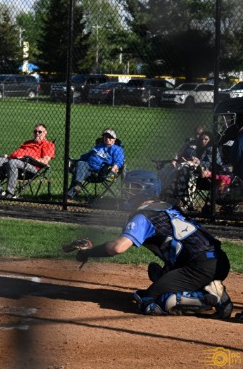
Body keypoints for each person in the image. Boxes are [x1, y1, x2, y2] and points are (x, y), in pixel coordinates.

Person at [74, 198, 233, 318]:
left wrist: (89, 252)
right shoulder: (169, 209)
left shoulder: (143, 215)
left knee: (148, 301)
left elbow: (117, 247)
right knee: (160, 275)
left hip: (200, 266)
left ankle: (209, 298)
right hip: (219, 263)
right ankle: (203, 289)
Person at [0, 123, 55, 198]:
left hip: (30, 167)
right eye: (35, 131)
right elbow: (17, 153)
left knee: (13, 163)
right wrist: (9, 156)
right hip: (13, 160)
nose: (37, 133)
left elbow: (45, 161)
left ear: (45, 133)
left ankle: (10, 193)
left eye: (40, 132)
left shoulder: (48, 145)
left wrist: (28, 158)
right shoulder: (28, 142)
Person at [160, 131, 222, 211]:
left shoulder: (211, 148)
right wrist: (188, 160)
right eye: (201, 139)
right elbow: (185, 155)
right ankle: (175, 197)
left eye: (206, 139)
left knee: (185, 169)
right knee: (183, 169)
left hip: (209, 172)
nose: (203, 141)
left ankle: (182, 199)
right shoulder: (197, 147)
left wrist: (197, 161)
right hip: (193, 171)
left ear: (210, 140)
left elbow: (209, 163)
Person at [66, 128, 125, 199]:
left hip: (100, 173)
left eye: (110, 137)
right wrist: (75, 161)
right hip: (87, 169)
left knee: (77, 173)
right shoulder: (99, 146)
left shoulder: (117, 149)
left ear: (114, 139)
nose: (107, 139)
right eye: (105, 136)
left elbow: (119, 161)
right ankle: (77, 185)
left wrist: (113, 170)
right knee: (80, 164)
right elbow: (87, 156)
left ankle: (69, 195)